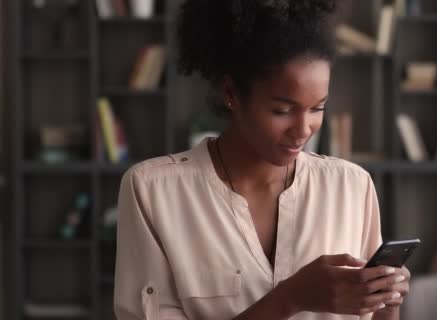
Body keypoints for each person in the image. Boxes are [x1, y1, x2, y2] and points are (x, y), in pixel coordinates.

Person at [113, 1, 411, 319]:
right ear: (231, 92)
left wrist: (387, 298)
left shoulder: (352, 187)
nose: (303, 130)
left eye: (317, 108)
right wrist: (291, 297)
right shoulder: (153, 191)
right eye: (282, 110)